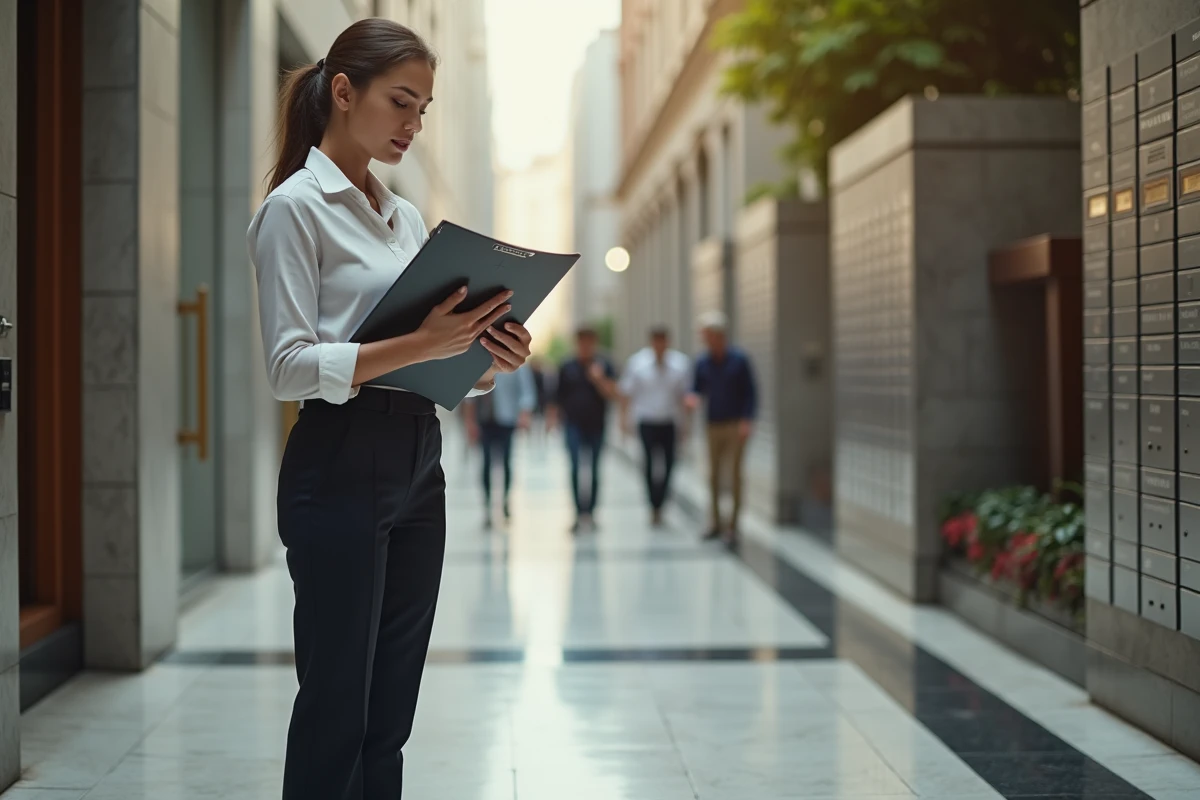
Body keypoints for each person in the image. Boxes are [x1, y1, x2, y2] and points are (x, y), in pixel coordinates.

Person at [246, 19, 533, 799]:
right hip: (337, 463)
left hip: (417, 463)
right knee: (336, 708)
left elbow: (435, 363)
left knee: (389, 716)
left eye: (425, 110)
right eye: (400, 102)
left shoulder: (404, 218)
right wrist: (427, 344)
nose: (412, 125)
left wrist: (483, 359)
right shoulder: (293, 209)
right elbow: (286, 367)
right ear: (344, 92)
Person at [686, 311, 757, 544]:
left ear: (718, 335)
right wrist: (693, 399)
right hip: (713, 424)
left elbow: (751, 393)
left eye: (707, 335)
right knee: (714, 475)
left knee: (734, 475)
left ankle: (733, 526)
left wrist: (747, 420)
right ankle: (715, 521)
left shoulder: (739, 360)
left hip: (735, 424)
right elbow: (696, 388)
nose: (705, 339)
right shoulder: (703, 361)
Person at [618, 326, 691, 526]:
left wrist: (686, 426)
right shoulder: (637, 364)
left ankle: (662, 502)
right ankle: (653, 504)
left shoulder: (680, 364)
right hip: (647, 421)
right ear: (651, 343)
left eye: (663, 342)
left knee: (669, 465)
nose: (660, 346)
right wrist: (623, 421)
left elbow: (684, 399)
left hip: (669, 421)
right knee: (649, 464)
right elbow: (626, 394)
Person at [548, 327, 618, 531]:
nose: (586, 347)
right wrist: (552, 420)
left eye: (589, 342)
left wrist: (598, 379)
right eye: (582, 342)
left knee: (595, 469)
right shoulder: (567, 365)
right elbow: (556, 397)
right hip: (573, 425)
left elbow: (612, 393)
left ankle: (592, 513)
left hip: (597, 425)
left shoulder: (604, 364)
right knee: (576, 468)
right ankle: (578, 513)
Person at [463, 367, 536, 527]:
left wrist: (524, 414)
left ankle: (505, 502)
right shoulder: (479, 361)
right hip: (485, 421)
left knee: (506, 463)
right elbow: (469, 395)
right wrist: (470, 422)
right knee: (486, 464)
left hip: (506, 420)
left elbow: (527, 392)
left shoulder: (515, 362)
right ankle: (487, 506)